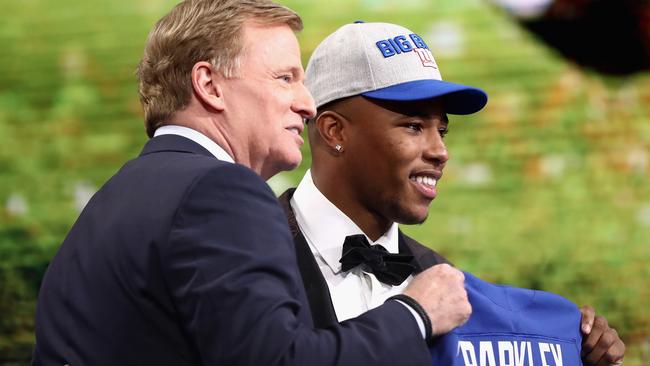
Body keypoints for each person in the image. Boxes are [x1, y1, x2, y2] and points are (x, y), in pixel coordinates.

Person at [32, 3, 469, 365]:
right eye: (285, 78)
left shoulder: (113, 198)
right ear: (209, 85)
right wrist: (415, 314)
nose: (306, 104)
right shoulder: (219, 192)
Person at [278, 21, 626, 365]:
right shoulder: (247, 251)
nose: (440, 151)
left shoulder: (445, 279)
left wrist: (574, 351)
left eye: (442, 130)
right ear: (334, 131)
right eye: (414, 126)